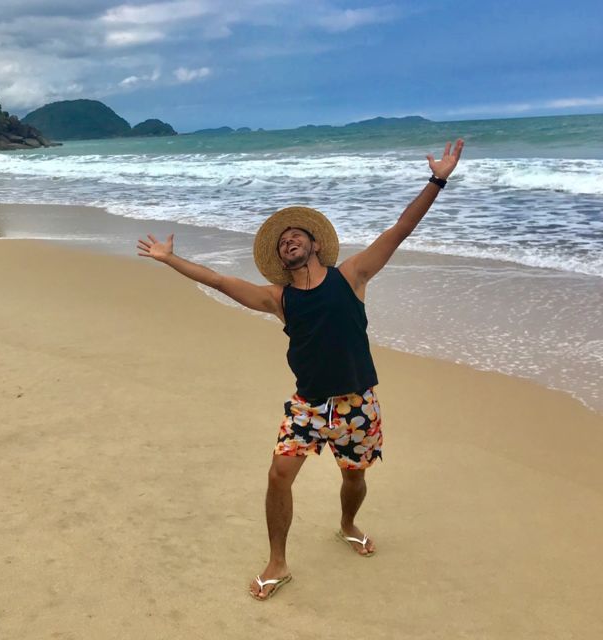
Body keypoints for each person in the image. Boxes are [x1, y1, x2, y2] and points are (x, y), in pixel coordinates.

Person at [137, 139, 464, 600]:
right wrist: (170, 259)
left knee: (354, 477)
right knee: (278, 475)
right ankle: (278, 561)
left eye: (296, 236)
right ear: (281, 258)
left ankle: (347, 524)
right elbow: (218, 280)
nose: (288, 240)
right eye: (282, 241)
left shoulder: (352, 276)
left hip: (357, 403)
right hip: (308, 407)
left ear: (315, 245)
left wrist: (437, 180)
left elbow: (401, 228)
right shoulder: (279, 298)